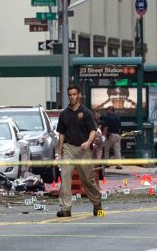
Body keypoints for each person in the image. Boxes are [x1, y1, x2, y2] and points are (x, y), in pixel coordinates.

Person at [56, 85, 101, 218]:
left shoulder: (86, 112)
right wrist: (60, 152)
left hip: (83, 149)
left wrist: (88, 142)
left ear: (79, 95)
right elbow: (61, 134)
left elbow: (93, 130)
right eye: (70, 94)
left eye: (74, 94)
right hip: (68, 148)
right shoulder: (64, 114)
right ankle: (66, 208)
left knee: (87, 179)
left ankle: (97, 203)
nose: (72, 97)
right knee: (65, 177)